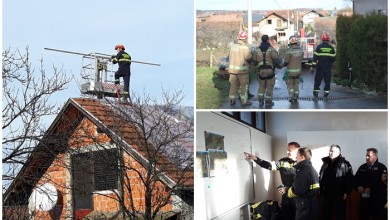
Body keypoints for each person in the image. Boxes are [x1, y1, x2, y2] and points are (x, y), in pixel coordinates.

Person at [245, 142, 300, 220]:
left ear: (297, 150)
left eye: (289, 150)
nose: (287, 152)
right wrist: (256, 159)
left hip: (297, 195)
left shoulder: (302, 163)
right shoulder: (283, 162)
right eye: (287, 150)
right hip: (286, 195)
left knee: (297, 216)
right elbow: (269, 165)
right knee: (285, 215)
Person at [319, 144, 353, 220]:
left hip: (339, 195)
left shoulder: (345, 164)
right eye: (329, 151)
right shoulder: (325, 163)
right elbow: (321, 177)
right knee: (326, 214)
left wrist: (346, 191)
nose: (330, 152)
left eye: (332, 151)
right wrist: (321, 190)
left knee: (340, 215)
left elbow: (349, 179)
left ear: (338, 152)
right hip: (327, 194)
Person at [286, 147, 320, 220]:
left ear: (302, 157)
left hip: (304, 206)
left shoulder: (303, 170)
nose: (296, 158)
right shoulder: (312, 169)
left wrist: (286, 191)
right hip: (312, 204)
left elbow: (298, 191)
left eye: (297, 156)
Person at [355, 148, 388, 220]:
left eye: (369, 156)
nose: (366, 158)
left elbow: (384, 184)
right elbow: (355, 180)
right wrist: (357, 187)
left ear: (376, 157)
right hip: (364, 202)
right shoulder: (362, 167)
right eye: (366, 155)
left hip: (377, 202)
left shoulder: (382, 168)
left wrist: (371, 189)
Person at [253, 34, 283, 106]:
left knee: (261, 86)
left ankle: (260, 101)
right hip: (269, 71)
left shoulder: (257, 50)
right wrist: (281, 65)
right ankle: (268, 102)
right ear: (267, 40)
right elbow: (277, 60)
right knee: (269, 87)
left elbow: (254, 62)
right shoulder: (271, 49)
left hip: (261, 71)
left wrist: (256, 69)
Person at [228, 31, 252, 106]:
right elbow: (249, 58)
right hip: (242, 71)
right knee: (244, 86)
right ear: (245, 39)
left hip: (232, 71)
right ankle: (244, 101)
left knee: (233, 85)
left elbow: (229, 56)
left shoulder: (232, 47)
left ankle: (232, 100)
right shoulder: (245, 48)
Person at [312, 33, 336, 101]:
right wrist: (330, 63)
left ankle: (316, 95)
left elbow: (315, 59)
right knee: (327, 81)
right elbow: (334, 58)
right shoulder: (331, 48)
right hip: (328, 68)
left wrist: (313, 67)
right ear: (328, 40)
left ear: (322, 40)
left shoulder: (319, 47)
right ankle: (325, 95)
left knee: (317, 81)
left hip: (320, 67)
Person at [283, 37, 304, 102]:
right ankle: (296, 96)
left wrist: (282, 65)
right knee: (296, 84)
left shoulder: (289, 51)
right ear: (297, 43)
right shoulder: (301, 50)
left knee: (290, 84)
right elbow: (301, 59)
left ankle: (291, 96)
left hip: (290, 71)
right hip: (298, 71)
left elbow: (286, 62)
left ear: (290, 43)